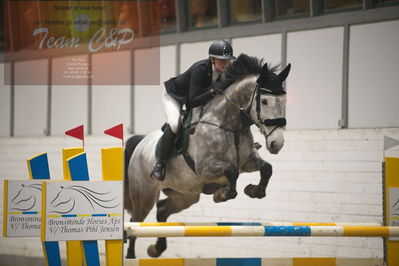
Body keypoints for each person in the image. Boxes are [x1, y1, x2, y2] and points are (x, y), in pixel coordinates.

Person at [151, 39, 236, 181]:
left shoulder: (226, 72)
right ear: (212, 59)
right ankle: (159, 163)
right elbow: (193, 101)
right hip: (174, 96)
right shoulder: (200, 69)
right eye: (222, 60)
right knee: (174, 124)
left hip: (196, 98)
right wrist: (212, 92)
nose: (225, 64)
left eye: (227, 60)